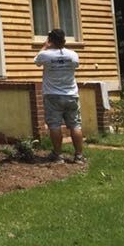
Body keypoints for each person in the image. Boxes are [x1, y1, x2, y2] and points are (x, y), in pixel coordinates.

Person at [35, 28, 85, 164]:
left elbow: (37, 61)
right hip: (71, 94)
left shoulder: (45, 55)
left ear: (50, 40)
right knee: (75, 125)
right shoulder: (73, 55)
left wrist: (45, 46)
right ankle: (79, 156)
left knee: (55, 125)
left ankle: (58, 156)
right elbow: (76, 65)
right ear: (64, 40)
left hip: (52, 95)